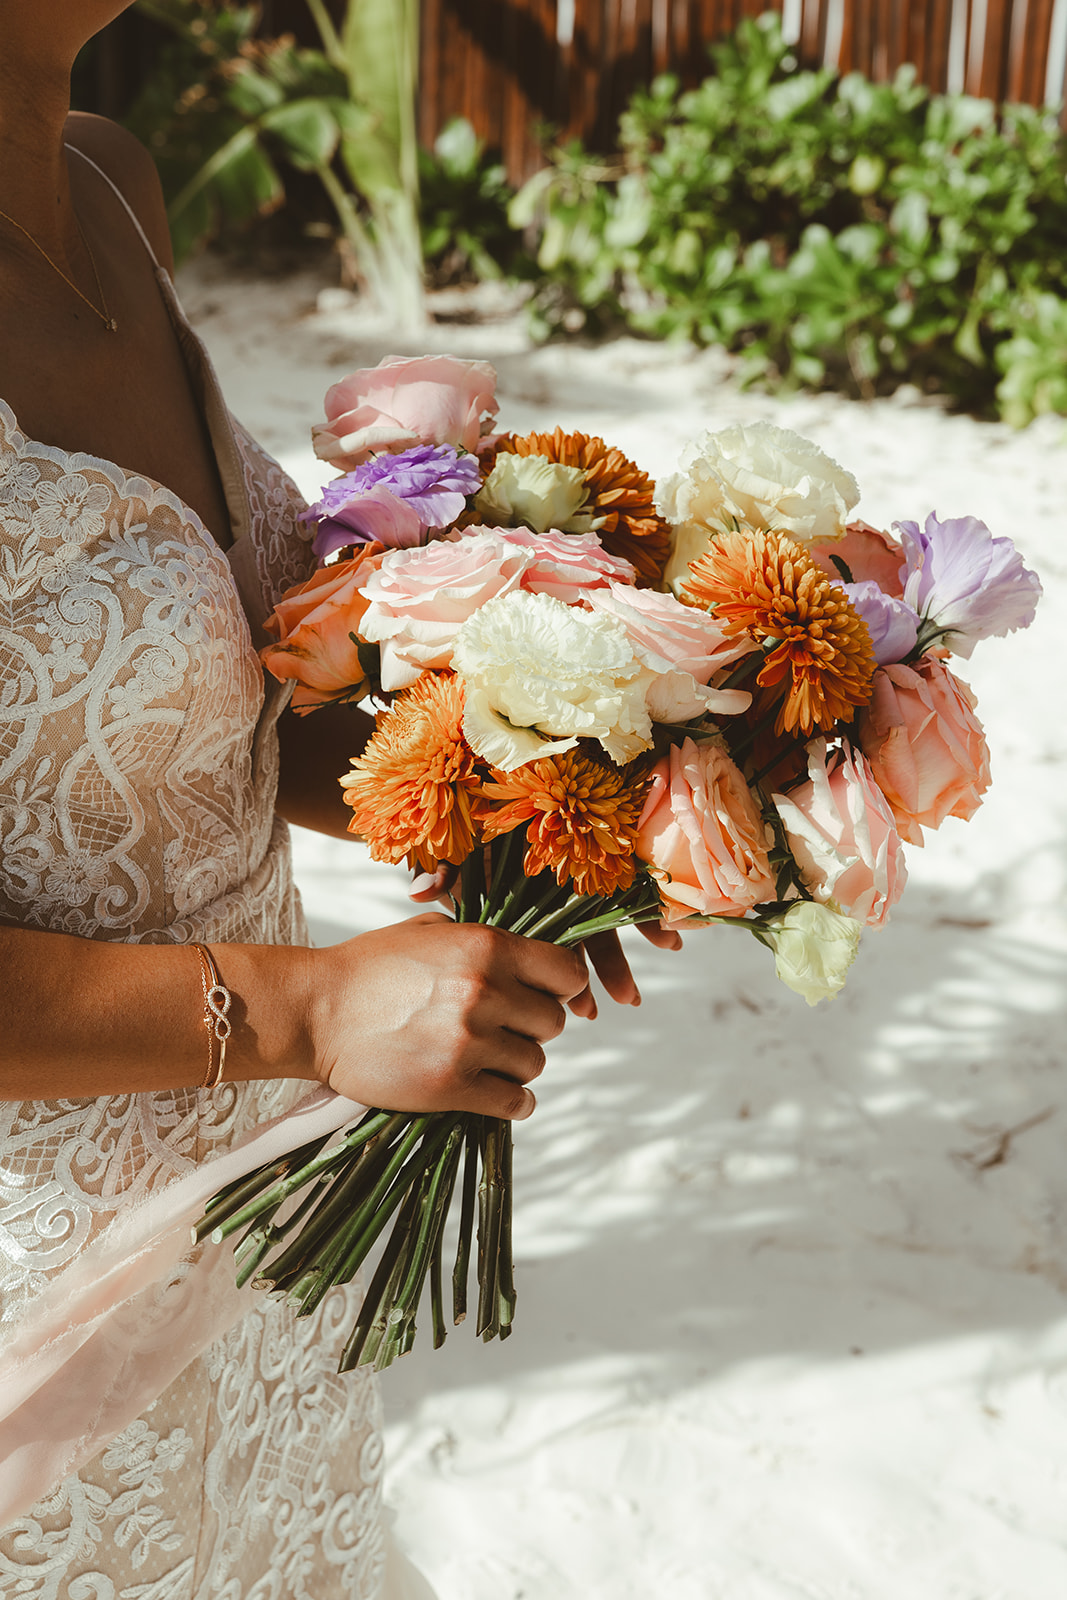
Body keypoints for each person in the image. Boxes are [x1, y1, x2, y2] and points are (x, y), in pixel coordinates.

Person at [0, 4, 678, 1594]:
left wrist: (539, 786)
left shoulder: (109, 183)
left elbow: (207, 718)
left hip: (258, 1232)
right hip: (41, 1294)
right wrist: (315, 1009)